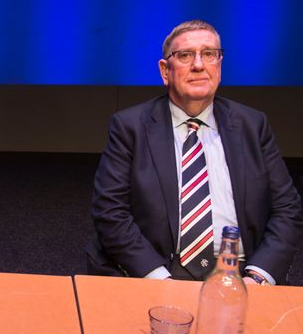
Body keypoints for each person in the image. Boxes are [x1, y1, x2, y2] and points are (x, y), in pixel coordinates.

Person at [88, 20, 303, 284]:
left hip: (239, 272)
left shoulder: (253, 125)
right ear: (165, 71)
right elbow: (110, 211)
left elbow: (287, 209)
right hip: (160, 270)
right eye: (185, 55)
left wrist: (258, 277)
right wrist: (160, 281)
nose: (199, 65)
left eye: (209, 54)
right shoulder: (130, 126)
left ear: (219, 66)